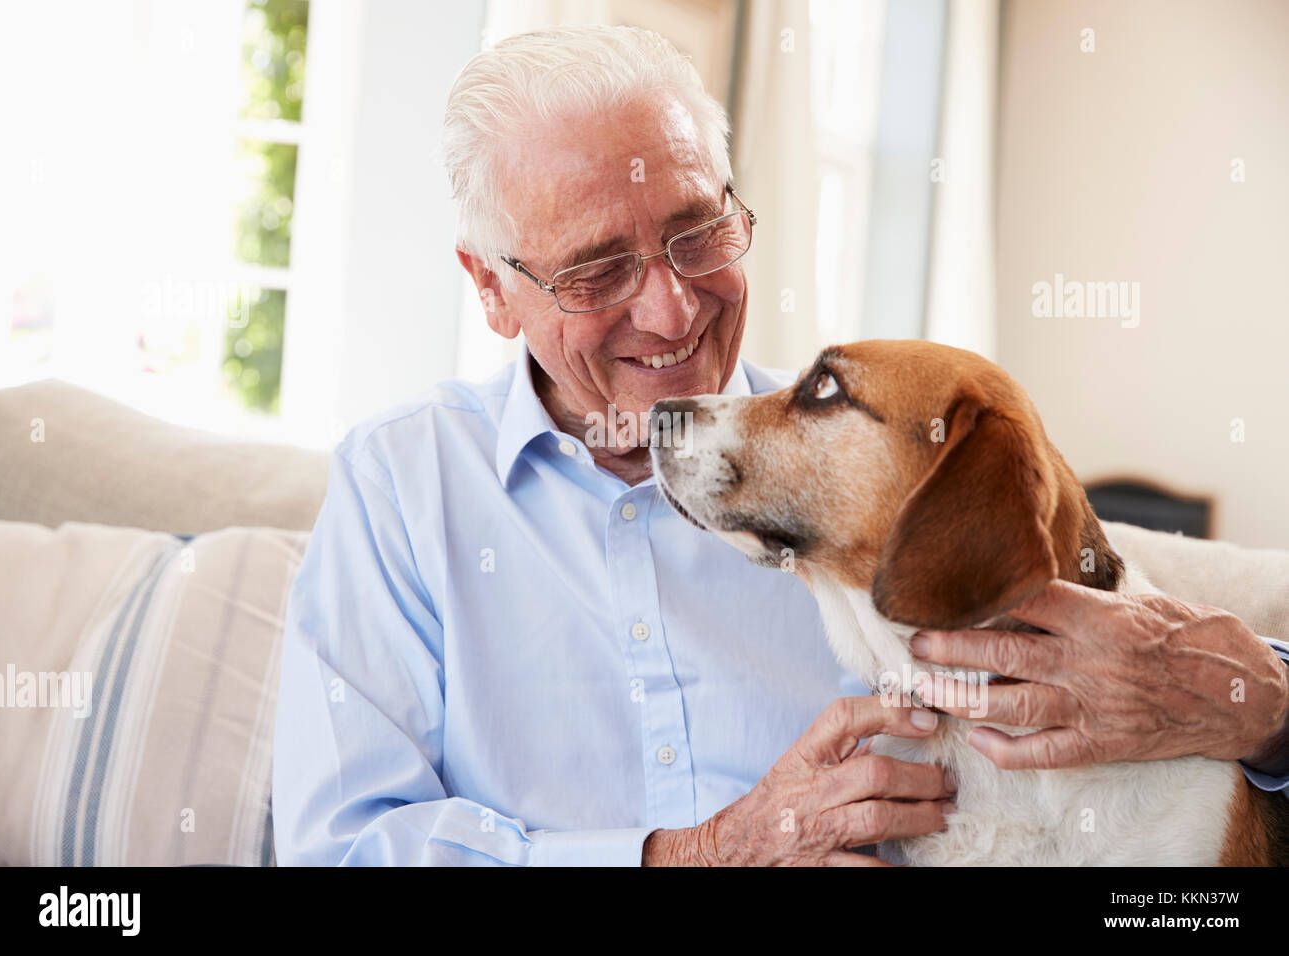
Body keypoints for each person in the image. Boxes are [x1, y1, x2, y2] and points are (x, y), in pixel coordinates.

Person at [272, 24, 1289, 866]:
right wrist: (699, 851)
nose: (672, 310)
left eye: (696, 232)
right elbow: (341, 846)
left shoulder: (864, 474)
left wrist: (1266, 701)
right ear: (491, 288)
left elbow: (1109, 627)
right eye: (596, 269)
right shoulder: (400, 487)